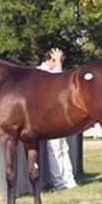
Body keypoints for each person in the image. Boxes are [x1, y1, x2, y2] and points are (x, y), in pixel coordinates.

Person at [37, 47, 77, 190]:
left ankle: (69, 181)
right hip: (48, 117)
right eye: (58, 60)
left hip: (57, 116)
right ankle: (59, 183)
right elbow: (58, 82)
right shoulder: (40, 72)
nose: (61, 63)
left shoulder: (50, 71)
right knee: (54, 150)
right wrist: (58, 63)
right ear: (51, 60)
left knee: (63, 149)